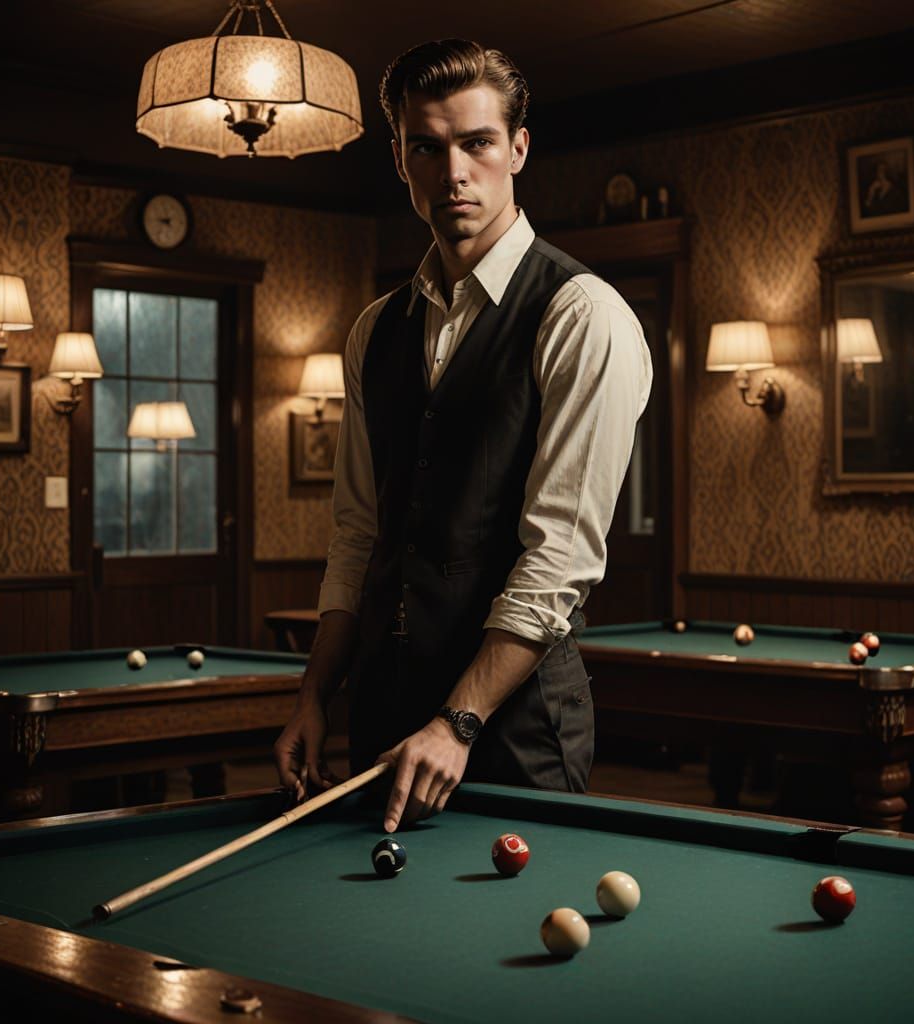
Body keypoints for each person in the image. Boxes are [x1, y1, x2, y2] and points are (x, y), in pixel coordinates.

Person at [274, 38, 652, 834]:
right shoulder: (374, 331)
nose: (453, 172)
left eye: (477, 143)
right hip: (382, 718)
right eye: (428, 146)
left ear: (517, 148)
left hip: (513, 731)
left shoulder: (584, 316)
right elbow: (358, 537)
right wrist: (314, 696)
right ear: (400, 159)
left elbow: (560, 557)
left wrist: (460, 721)